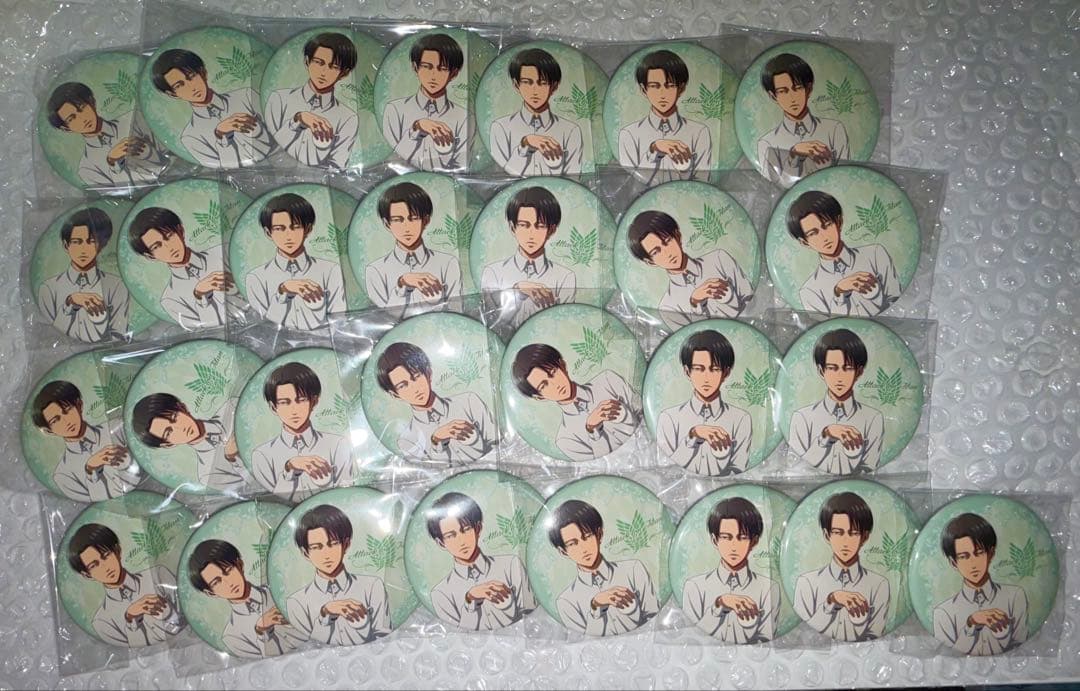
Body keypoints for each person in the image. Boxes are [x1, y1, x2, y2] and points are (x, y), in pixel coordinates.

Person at [511, 344, 642, 461]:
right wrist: (593, 430)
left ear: (563, 365)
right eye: (544, 385)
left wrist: (623, 415)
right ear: (540, 397)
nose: (555, 385)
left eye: (553, 373)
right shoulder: (566, 440)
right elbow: (603, 463)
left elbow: (643, 412)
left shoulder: (608, 380)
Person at [425, 492, 535, 630]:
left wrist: (506, 604)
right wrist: (470, 600)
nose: (461, 541)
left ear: (478, 528)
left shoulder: (512, 565)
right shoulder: (441, 593)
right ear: (441, 543)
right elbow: (458, 635)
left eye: (466, 529)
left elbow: (531, 619)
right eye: (450, 536)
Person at [549, 499, 658, 636]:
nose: (583, 548)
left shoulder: (634, 570)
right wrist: (596, 608)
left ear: (599, 535)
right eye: (572, 543)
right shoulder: (566, 601)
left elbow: (655, 620)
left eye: (587, 536)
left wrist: (631, 610)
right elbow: (582, 643)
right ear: (563, 552)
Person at [285, 504, 392, 645]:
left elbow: (385, 638)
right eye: (316, 547)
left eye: (333, 544)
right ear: (306, 553)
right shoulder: (297, 602)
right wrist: (324, 616)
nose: (326, 554)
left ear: (346, 544)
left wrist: (362, 625)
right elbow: (305, 647)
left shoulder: (372, 586)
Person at [626, 210, 752, 327]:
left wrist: (729, 297)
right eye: (656, 252)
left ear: (678, 236)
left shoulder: (719, 259)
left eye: (667, 241)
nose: (667, 253)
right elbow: (695, 338)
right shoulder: (668, 307)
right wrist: (695, 303)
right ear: (650, 262)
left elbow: (751, 298)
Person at [150, 48, 274, 168]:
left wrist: (256, 129)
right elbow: (224, 169)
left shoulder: (246, 95)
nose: (192, 87)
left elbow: (277, 132)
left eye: (191, 76)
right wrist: (221, 136)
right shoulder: (190, 137)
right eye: (179, 85)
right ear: (173, 94)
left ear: (203, 73)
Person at [375, 342, 496, 463]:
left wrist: (474, 441)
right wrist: (437, 441)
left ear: (428, 373)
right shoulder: (407, 441)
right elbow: (431, 473)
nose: (415, 389)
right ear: (395, 395)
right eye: (403, 386)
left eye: (416, 377)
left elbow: (499, 445)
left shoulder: (469, 401)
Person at [250, 362, 354, 502]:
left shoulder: (338, 445)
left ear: (314, 401)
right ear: (273, 407)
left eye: (301, 400)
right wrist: (289, 469)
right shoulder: (262, 456)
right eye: (285, 402)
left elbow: (346, 497)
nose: (294, 410)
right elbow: (274, 505)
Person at [793, 492, 890, 641]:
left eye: (853, 533)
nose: (845, 541)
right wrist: (831, 601)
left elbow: (875, 634)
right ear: (827, 535)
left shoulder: (879, 585)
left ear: (864, 537)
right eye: (838, 533)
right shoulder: (806, 583)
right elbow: (804, 633)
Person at [68, 523, 184, 647]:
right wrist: (131, 620)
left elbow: (190, 620)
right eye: (94, 565)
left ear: (117, 551)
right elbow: (133, 653)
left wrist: (168, 614)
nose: (105, 567)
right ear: (87, 575)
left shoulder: (158, 574)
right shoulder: (102, 622)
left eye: (106, 556)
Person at [682, 497, 780, 643]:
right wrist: (719, 605)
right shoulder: (694, 587)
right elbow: (692, 636)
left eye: (742, 537)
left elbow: (766, 640)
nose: (734, 546)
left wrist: (749, 624)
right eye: (726, 537)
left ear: (754, 541)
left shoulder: (769, 589)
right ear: (715, 540)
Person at [786, 190, 900, 316]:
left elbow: (896, 301)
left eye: (827, 225)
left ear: (839, 222)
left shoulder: (876, 254)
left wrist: (875, 294)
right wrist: (839, 293)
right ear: (804, 242)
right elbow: (825, 326)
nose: (824, 237)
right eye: (813, 233)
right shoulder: (810, 291)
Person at [787, 328, 884, 475]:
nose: (839, 377)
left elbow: (869, 469)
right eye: (832, 368)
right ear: (821, 371)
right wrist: (825, 436)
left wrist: (854, 453)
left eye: (847, 368)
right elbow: (796, 468)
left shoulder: (873, 418)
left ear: (859, 372)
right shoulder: (802, 417)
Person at [245, 192, 346, 330]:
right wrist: (282, 293)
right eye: (279, 229)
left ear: (308, 229)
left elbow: (340, 322)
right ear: (268, 233)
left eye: (295, 227)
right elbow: (264, 329)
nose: (288, 235)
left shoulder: (331, 271)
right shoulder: (256, 278)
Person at [656, 330, 752, 476]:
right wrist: (693, 436)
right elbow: (667, 469)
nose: (706, 378)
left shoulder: (741, 419)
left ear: (726, 373)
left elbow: (739, 470)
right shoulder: (668, 418)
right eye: (699, 369)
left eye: (714, 369)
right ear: (687, 372)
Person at [127, 206, 240, 329]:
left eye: (169, 236)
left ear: (180, 230)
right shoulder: (170, 300)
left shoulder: (225, 251)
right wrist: (200, 296)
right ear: (150, 256)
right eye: (157, 246)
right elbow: (209, 330)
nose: (169, 247)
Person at [188, 539, 304, 657]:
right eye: (217, 582)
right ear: (211, 593)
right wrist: (262, 631)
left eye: (228, 571)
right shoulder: (232, 637)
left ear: (240, 565)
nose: (229, 583)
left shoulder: (281, 589)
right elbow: (268, 663)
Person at [932, 513, 1028, 656]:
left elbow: (1021, 649)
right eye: (964, 557)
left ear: (991, 553)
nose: (973, 563)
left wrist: (1002, 635)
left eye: (979, 553)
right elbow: (949, 656)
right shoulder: (943, 613)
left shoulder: (1015, 597)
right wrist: (970, 625)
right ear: (953, 563)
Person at [480, 186, 576, 328]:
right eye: (524, 225)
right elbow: (490, 321)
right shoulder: (493, 272)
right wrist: (516, 291)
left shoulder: (565, 277)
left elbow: (564, 326)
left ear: (551, 230)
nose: (531, 234)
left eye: (540, 226)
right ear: (513, 228)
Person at [366, 181, 461, 320]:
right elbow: (383, 319)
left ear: (426, 220)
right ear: (387, 224)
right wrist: (401, 284)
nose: (406, 227)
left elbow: (458, 315)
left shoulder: (448, 263)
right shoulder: (375, 270)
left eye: (413, 218)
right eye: (398, 220)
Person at [45, 81, 167, 188]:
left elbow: (171, 156)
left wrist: (148, 153)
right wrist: (112, 163)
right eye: (72, 119)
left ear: (92, 102)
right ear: (66, 129)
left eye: (82, 108)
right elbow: (118, 195)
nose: (82, 119)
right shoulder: (87, 169)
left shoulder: (136, 119)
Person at [31, 380, 137, 501]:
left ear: (79, 405)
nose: (66, 421)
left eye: (67, 410)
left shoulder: (119, 427)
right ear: (49, 431)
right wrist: (91, 471)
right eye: (55, 420)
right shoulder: (63, 475)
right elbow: (98, 505)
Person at [266, 32, 359, 170]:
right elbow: (268, 152)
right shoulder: (279, 99)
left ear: (344, 73)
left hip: (317, 182)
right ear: (307, 61)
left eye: (334, 67)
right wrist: (297, 120)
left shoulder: (348, 118)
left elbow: (337, 167)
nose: (324, 72)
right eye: (319, 62)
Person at [618, 50, 712, 185]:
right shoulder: (629, 134)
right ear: (644, 90)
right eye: (654, 86)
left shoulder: (699, 132)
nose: (662, 94)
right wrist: (654, 150)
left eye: (669, 86)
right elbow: (631, 185)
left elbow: (702, 186)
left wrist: (684, 167)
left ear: (681, 88)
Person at [756, 53, 849, 185]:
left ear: (808, 89)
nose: (792, 98)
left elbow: (846, 177)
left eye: (797, 88)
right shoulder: (767, 143)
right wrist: (793, 156)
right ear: (773, 96)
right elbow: (773, 186)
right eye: (783, 91)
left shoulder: (834, 130)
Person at [38, 207, 130, 342]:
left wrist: (99, 320)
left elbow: (120, 337)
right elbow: (50, 336)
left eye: (91, 241)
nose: (83, 249)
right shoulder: (48, 288)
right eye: (77, 242)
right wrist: (70, 304)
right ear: (66, 245)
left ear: (101, 245)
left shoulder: (117, 286)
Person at [489, 48, 582, 176]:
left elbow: (573, 180)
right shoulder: (500, 127)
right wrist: (524, 145)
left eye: (542, 83)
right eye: (527, 82)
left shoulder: (571, 131)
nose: (535, 90)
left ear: (554, 86)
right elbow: (502, 176)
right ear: (516, 85)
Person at [382, 33, 468, 171]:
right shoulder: (395, 110)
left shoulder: (464, 117)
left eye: (442, 69)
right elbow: (391, 161)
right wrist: (417, 128)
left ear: (454, 73)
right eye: (427, 67)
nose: (433, 76)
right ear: (416, 67)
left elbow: (461, 169)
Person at [131, 393, 248, 492]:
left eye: (174, 417)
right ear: (168, 444)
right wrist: (233, 458)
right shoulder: (208, 475)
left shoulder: (233, 406)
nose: (180, 428)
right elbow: (249, 488)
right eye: (169, 432)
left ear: (182, 407)